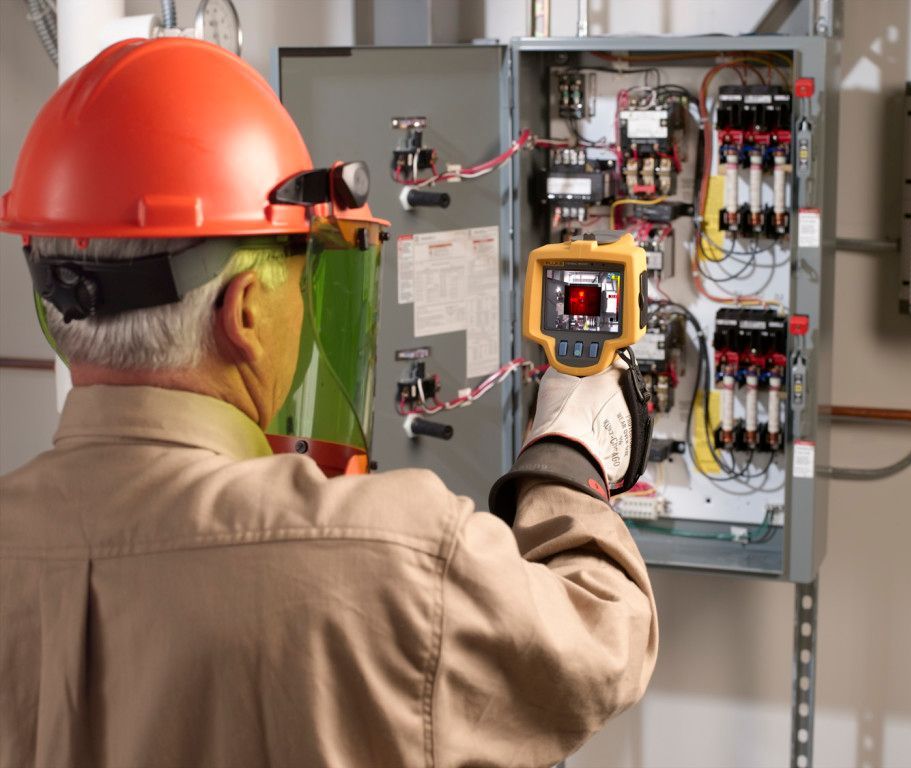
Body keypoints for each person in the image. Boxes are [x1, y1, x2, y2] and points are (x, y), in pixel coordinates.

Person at [0, 38, 657, 768]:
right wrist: (567, 452)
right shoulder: (390, 556)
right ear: (245, 313)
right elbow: (603, 641)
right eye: (303, 271)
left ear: (51, 308)